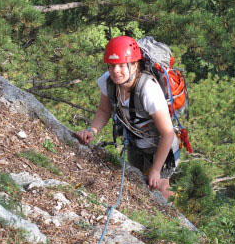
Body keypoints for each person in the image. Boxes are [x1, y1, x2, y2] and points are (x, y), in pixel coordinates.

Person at [75, 36, 179, 199]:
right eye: (112, 66)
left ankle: (173, 221)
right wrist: (92, 130)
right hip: (134, 142)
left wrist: (156, 169)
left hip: (161, 146)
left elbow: (167, 132)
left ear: (134, 65)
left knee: (160, 185)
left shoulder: (148, 90)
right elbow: (104, 110)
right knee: (138, 183)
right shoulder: (107, 81)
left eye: (122, 65)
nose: (116, 71)